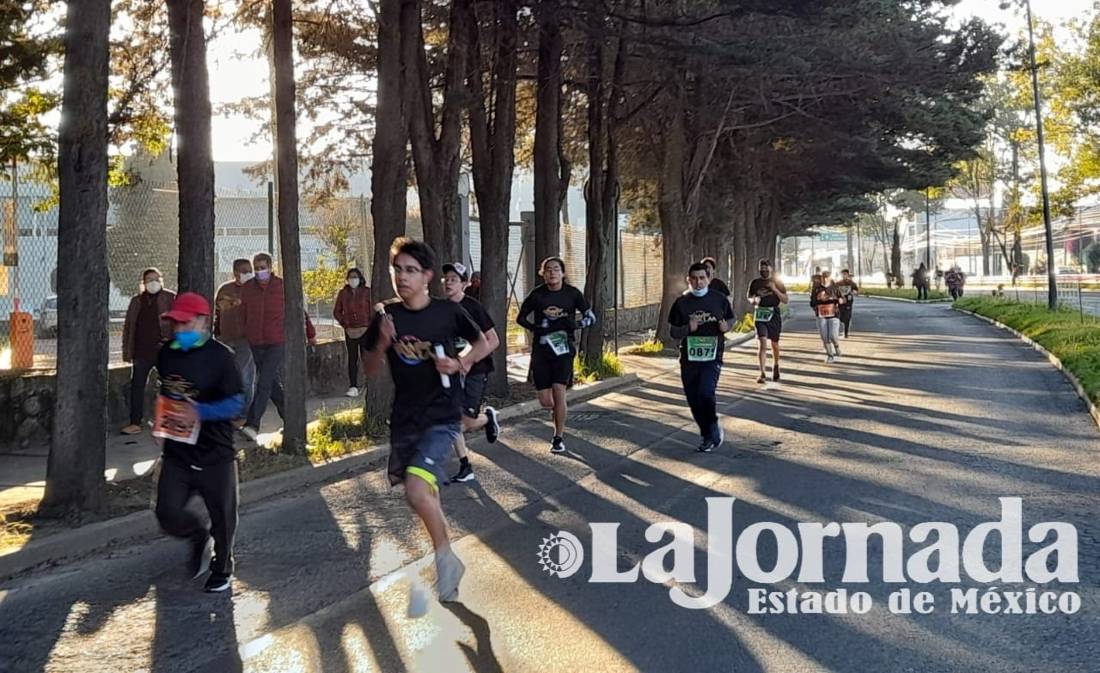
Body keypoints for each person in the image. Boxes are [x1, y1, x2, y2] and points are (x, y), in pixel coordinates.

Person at [362, 237, 493, 603]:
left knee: (417, 491)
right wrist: (382, 343)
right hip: (405, 419)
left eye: (410, 271)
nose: (402, 278)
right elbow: (370, 369)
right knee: (422, 495)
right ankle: (447, 554)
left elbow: (486, 341)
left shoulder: (445, 312)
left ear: (427, 277)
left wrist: (461, 362)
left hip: (442, 414)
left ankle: (445, 560)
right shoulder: (386, 316)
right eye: (397, 270)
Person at [152, 292, 244, 593]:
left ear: (204, 322)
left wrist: (202, 411)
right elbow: (167, 393)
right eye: (175, 324)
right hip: (178, 452)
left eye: (185, 323)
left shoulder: (221, 357)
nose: (179, 330)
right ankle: (197, 537)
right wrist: (160, 421)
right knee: (166, 512)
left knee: (223, 518)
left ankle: (222, 566)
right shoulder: (166, 354)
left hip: (216, 453)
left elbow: (236, 403)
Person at [517, 256, 596, 454]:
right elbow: (520, 317)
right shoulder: (537, 295)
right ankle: (558, 411)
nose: (552, 273)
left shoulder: (572, 294)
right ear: (542, 274)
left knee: (559, 392)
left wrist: (576, 324)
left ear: (563, 273)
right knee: (545, 400)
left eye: (555, 269)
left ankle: (558, 437)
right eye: (547, 270)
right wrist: (535, 328)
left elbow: (590, 317)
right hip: (542, 350)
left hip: (563, 349)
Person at [239, 252, 317, 441]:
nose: (259, 271)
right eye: (256, 268)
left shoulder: (282, 286)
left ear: (270, 267)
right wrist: (246, 332)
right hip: (256, 342)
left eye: (262, 267)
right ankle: (292, 420)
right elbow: (243, 312)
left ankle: (252, 424)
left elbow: (299, 311)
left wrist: (311, 333)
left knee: (264, 381)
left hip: (277, 341)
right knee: (272, 384)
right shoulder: (248, 288)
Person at [441, 262, 501, 483]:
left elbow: (493, 340)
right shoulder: (439, 309)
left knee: (465, 423)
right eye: (446, 279)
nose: (448, 282)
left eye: (454, 279)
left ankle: (486, 419)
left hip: (476, 369)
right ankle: (465, 466)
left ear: (464, 284)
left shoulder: (474, 307)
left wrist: (468, 360)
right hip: (451, 371)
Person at [668, 262, 734, 453]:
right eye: (694, 279)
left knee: (705, 392)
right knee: (693, 398)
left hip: (712, 356)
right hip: (689, 357)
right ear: (688, 280)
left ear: (708, 279)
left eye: (702, 278)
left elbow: (730, 319)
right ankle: (707, 433)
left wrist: (726, 327)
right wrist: (688, 328)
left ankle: (711, 430)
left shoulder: (719, 299)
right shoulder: (682, 303)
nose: (698, 282)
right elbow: (673, 331)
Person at [121, 268, 176, 435]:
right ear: (143, 283)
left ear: (161, 280)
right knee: (137, 386)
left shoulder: (170, 298)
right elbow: (129, 327)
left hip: (163, 350)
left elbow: (177, 323)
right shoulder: (137, 301)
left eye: (155, 279)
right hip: (141, 351)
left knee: (170, 386)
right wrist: (127, 352)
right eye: (149, 280)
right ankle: (135, 422)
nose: (153, 282)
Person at [214, 258, 256, 427]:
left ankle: (244, 414)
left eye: (249, 270)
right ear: (235, 272)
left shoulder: (255, 289)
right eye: (244, 270)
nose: (248, 273)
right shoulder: (225, 289)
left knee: (244, 377)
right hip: (225, 339)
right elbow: (218, 312)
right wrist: (217, 333)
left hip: (246, 340)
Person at [747, 259, 789, 384]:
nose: (763, 270)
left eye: (766, 268)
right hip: (760, 314)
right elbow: (749, 296)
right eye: (761, 268)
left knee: (774, 344)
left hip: (774, 314)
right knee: (762, 342)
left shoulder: (778, 282)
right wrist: (754, 300)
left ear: (771, 268)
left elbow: (785, 300)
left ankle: (776, 365)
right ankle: (762, 373)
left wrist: (774, 289)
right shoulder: (755, 283)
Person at [334, 267, 372, 397]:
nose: (353, 279)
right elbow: (337, 311)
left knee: (366, 357)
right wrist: (345, 325)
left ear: (360, 278)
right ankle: (353, 386)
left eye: (355, 277)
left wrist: (369, 324)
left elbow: (372, 309)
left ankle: (369, 385)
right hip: (350, 330)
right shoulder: (343, 293)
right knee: (352, 359)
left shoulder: (367, 292)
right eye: (350, 277)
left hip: (366, 330)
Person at [811, 271, 842, 363]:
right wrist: (818, 299)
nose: (825, 279)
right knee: (825, 337)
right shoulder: (816, 289)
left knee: (833, 335)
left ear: (830, 278)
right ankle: (830, 355)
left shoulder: (835, 287)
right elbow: (812, 303)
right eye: (823, 277)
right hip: (821, 315)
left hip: (833, 314)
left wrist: (840, 300)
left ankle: (836, 346)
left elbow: (842, 299)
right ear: (821, 278)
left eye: (827, 277)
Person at [834, 269, 860, 338]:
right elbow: (834, 292)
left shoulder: (851, 283)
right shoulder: (838, 283)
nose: (844, 275)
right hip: (841, 302)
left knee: (848, 317)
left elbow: (857, 291)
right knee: (841, 317)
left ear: (848, 275)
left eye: (845, 274)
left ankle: (846, 332)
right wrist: (838, 298)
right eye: (843, 274)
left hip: (849, 302)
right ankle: (842, 325)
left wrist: (854, 292)